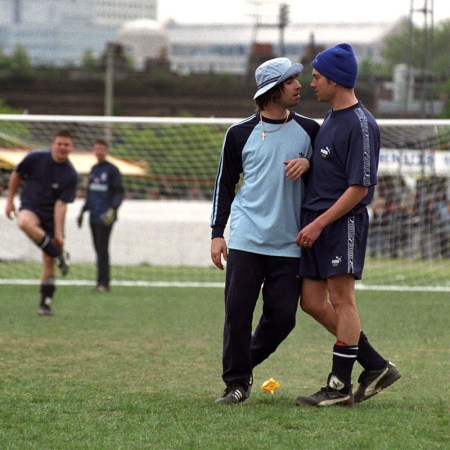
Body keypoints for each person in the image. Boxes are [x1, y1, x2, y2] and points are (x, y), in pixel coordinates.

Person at [294, 43, 400, 407]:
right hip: (318, 223)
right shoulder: (331, 120)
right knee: (311, 301)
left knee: (341, 299)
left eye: (317, 77)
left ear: (336, 80)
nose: (311, 84)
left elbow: (360, 188)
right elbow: (330, 168)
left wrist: (321, 223)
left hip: (341, 224)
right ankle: (374, 364)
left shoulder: (361, 124)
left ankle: (339, 387)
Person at [210, 57, 320, 404]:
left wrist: (310, 162)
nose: (299, 86)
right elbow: (224, 187)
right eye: (291, 81)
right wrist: (217, 233)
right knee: (238, 314)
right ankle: (237, 383)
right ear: (273, 91)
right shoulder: (238, 133)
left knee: (283, 317)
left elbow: (331, 176)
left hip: (290, 243)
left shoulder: (311, 131)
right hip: (245, 239)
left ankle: (245, 363)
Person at [5, 129, 78, 316]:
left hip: (50, 214)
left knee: (48, 259)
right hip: (31, 206)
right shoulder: (35, 157)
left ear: (71, 148)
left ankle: (45, 304)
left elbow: (61, 205)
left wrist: (59, 234)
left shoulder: (71, 175)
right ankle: (60, 255)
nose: (62, 147)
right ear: (52, 144)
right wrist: (10, 200)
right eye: (59, 144)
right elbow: (16, 174)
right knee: (23, 222)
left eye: (66, 145)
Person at [77, 139, 124, 292]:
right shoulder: (94, 169)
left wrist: (113, 210)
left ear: (106, 151)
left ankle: (104, 282)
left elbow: (119, 192)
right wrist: (83, 211)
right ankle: (100, 282)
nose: (99, 152)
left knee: (103, 248)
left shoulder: (112, 170)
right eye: (96, 149)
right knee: (98, 248)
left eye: (102, 149)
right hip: (93, 215)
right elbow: (90, 193)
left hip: (105, 216)